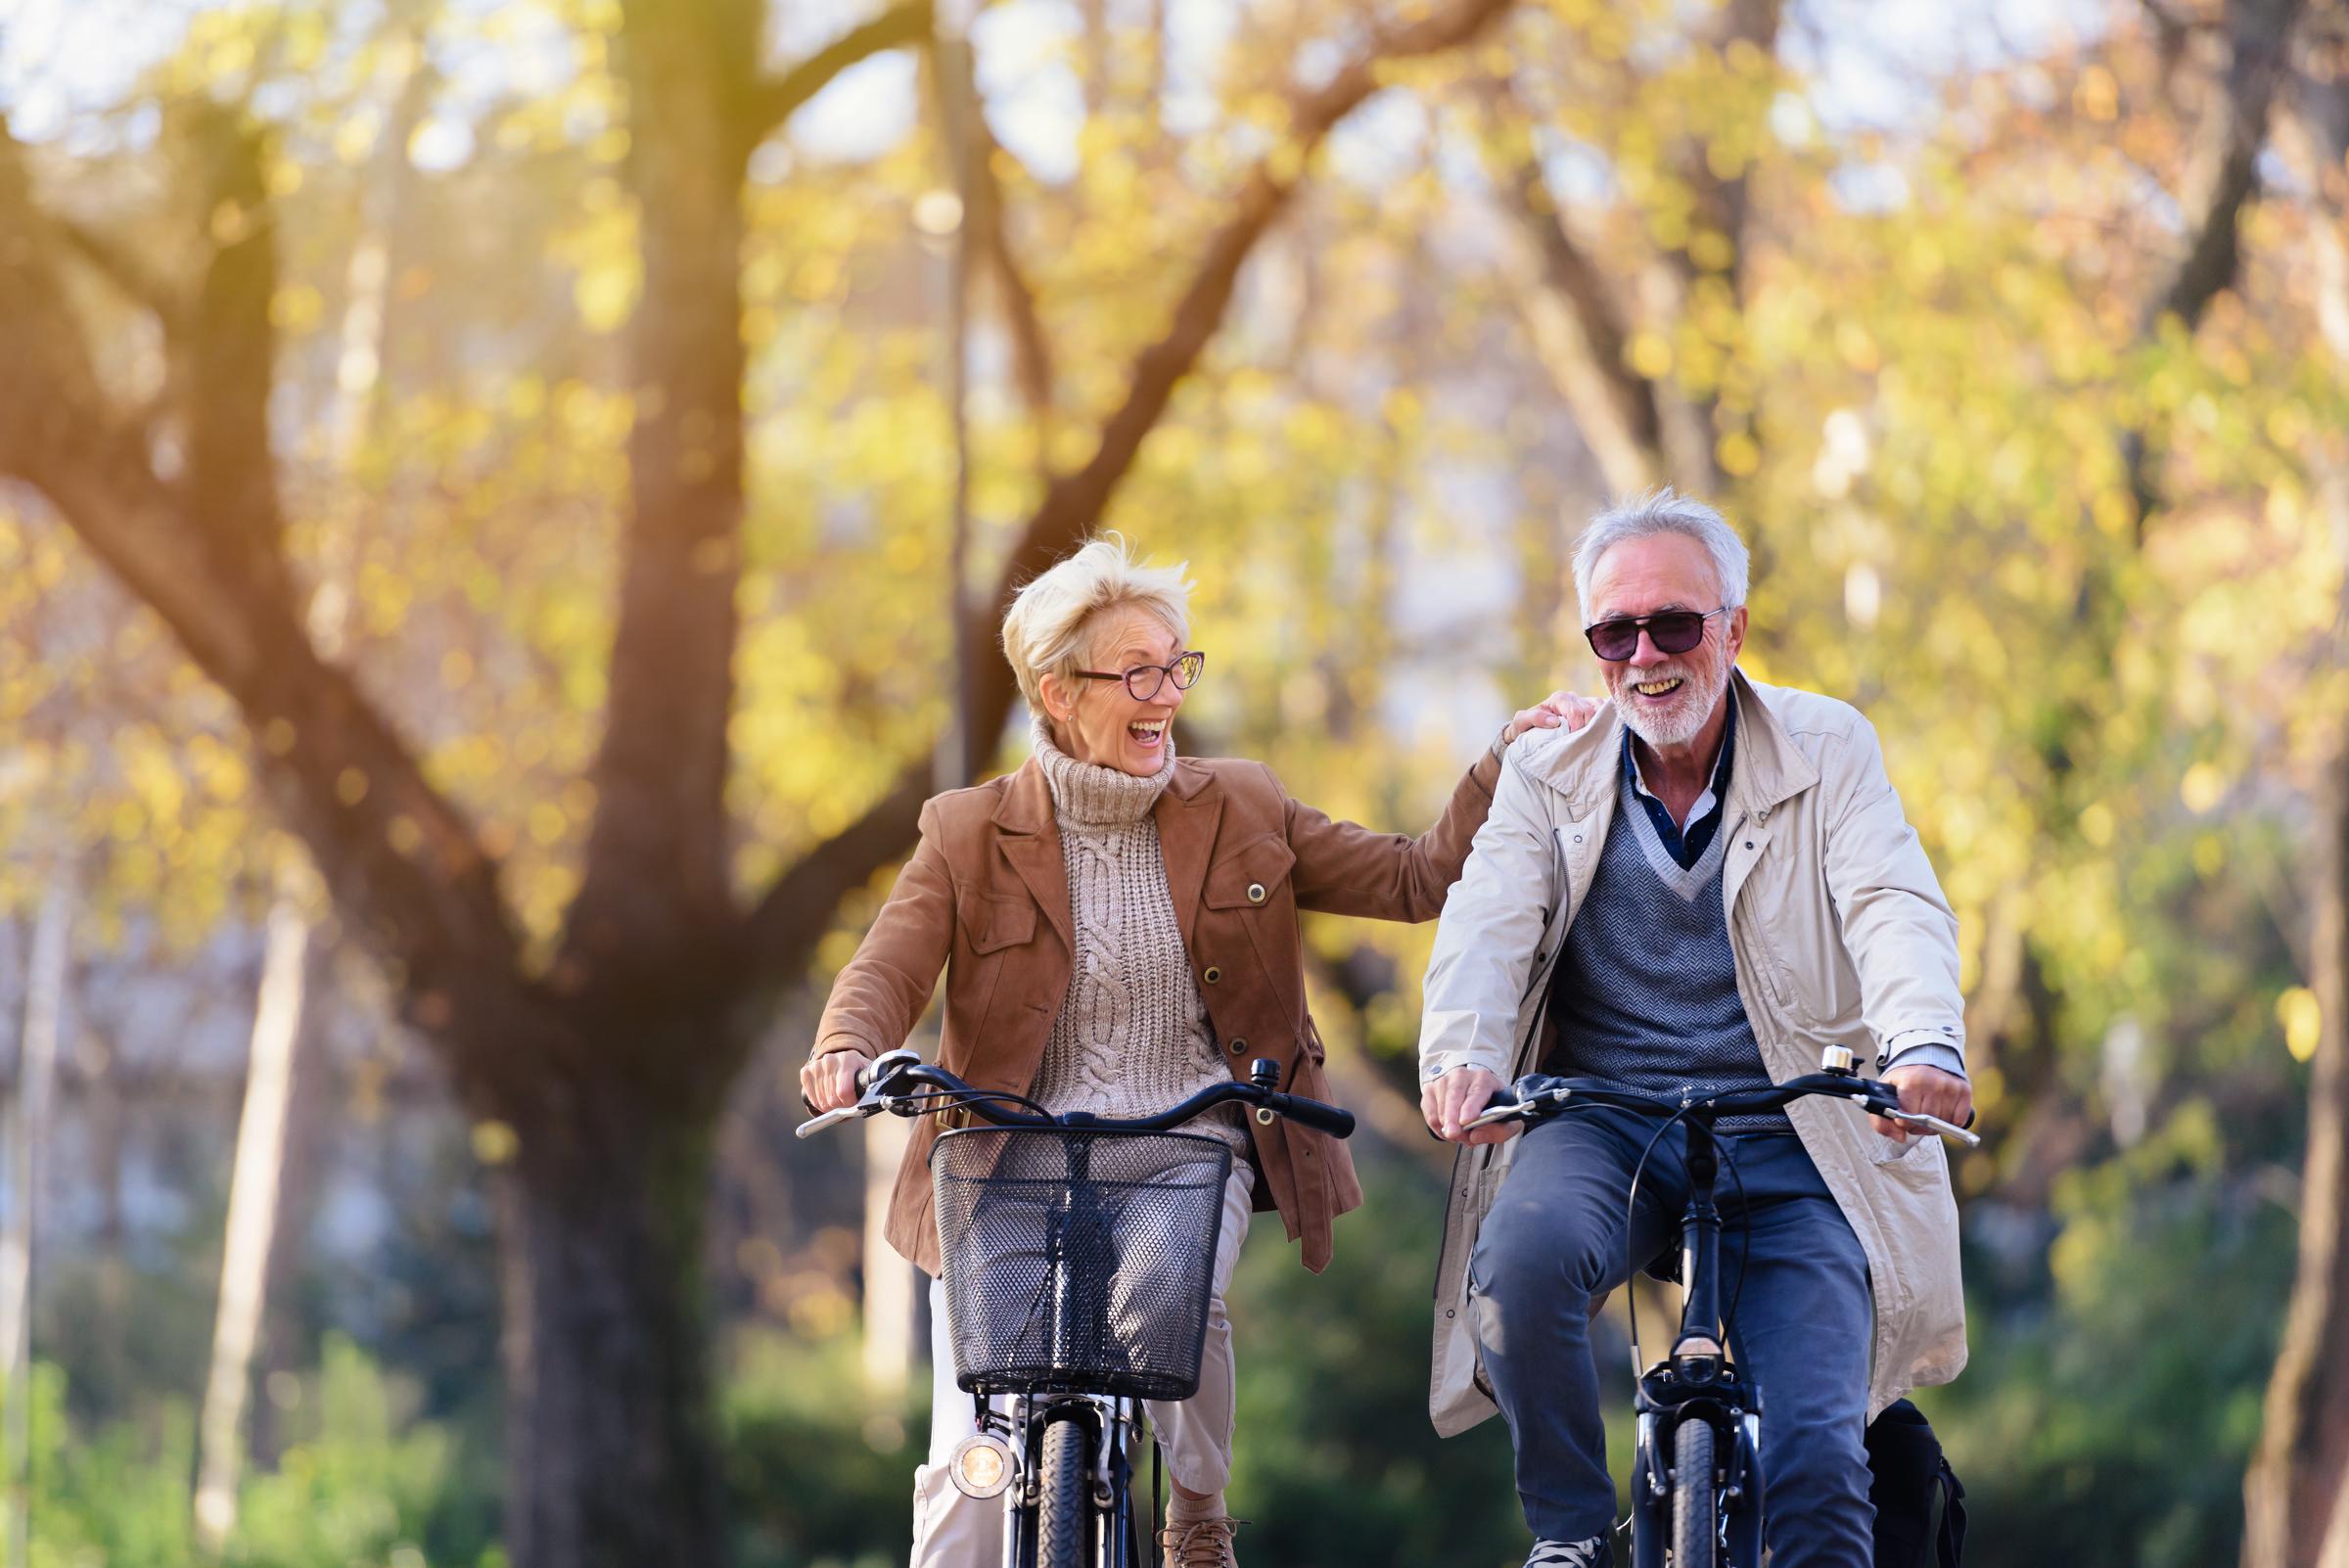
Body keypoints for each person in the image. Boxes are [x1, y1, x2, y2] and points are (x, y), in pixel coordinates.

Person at [802, 534, 1595, 1568]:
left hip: (1184, 1143)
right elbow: (884, 971)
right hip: (1001, 1156)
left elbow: (1413, 879)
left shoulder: (1243, 804)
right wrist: (845, 1047)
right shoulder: (967, 830)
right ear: (1059, 691)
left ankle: (1197, 1515)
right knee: (970, 1448)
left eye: (1177, 665)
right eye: (1138, 671)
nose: (1166, 693)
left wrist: (1500, 761)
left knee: (1164, 1307)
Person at [1415, 489, 1972, 1568]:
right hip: (1602, 1118)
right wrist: (1464, 1056)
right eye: (1614, 633)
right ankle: (1574, 1536)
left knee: (1817, 1453)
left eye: (1675, 624)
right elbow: (1486, 917)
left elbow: (1892, 903)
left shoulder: (1827, 746)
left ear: (1734, 629)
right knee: (1518, 1269)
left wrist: (1924, 1048)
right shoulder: (1546, 772)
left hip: (1794, 1126)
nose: (1645, 656)